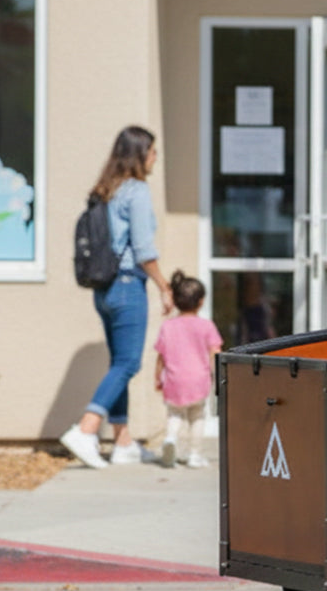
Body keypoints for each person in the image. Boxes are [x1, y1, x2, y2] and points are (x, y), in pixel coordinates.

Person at [59, 125, 175, 469]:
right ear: (139, 155)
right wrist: (164, 286)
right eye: (152, 151)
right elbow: (143, 249)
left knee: (119, 363)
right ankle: (86, 429)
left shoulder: (106, 189)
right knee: (129, 364)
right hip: (126, 285)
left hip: (104, 289)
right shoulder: (136, 191)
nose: (155, 157)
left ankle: (123, 442)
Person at [153, 270, 223, 468]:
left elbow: (161, 356)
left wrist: (157, 377)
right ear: (201, 301)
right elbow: (215, 352)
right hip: (199, 380)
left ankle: (170, 439)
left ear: (175, 301)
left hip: (174, 380)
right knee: (197, 416)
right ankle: (195, 455)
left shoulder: (168, 326)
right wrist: (218, 375)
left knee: (174, 414)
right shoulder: (206, 326)